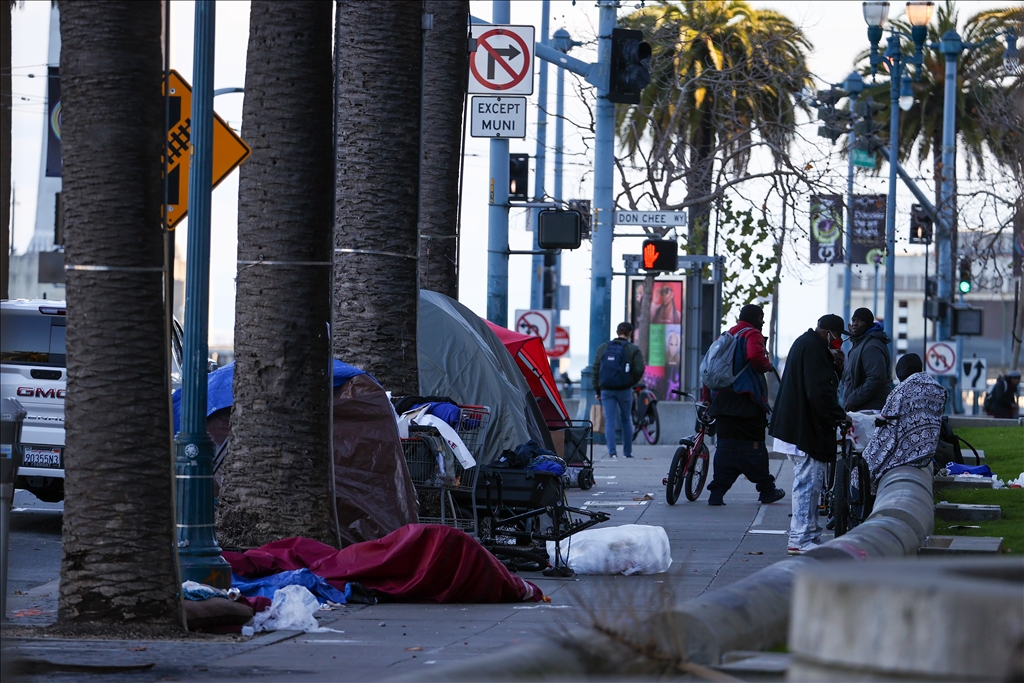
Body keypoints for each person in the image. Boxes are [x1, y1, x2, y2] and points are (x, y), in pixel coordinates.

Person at [769, 314, 851, 556]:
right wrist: (838, 414)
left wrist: (837, 368)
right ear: (828, 333)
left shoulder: (806, 344)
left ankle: (810, 534)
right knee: (807, 483)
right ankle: (800, 537)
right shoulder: (815, 350)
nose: (839, 343)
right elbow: (819, 392)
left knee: (812, 483)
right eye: (838, 338)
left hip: (794, 426)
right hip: (803, 429)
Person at [704, 304, 786, 506]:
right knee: (755, 446)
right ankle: (767, 489)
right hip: (746, 401)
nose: (764, 321)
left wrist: (708, 398)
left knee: (725, 446)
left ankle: (717, 492)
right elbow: (755, 356)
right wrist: (766, 365)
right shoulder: (752, 334)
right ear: (756, 317)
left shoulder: (725, 336)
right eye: (762, 317)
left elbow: (709, 370)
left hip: (722, 402)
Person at [861, 353, 946, 490]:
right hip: (926, 452)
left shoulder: (900, 392)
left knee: (862, 469)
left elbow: (887, 423)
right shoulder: (938, 389)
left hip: (903, 453)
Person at [593, 322, 645, 459]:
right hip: (624, 389)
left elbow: (595, 369)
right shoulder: (633, 349)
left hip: (606, 389)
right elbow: (639, 369)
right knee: (626, 419)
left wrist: (598, 389)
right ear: (630, 333)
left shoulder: (603, 347)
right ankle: (627, 453)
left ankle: (612, 452)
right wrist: (629, 382)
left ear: (617, 332)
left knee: (609, 420)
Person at [840, 307, 893, 411]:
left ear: (868, 324)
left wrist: (853, 399)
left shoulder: (871, 346)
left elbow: (876, 378)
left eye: (859, 320)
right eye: (853, 320)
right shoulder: (859, 344)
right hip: (862, 409)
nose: (855, 324)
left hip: (870, 411)